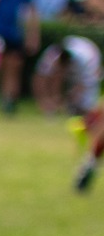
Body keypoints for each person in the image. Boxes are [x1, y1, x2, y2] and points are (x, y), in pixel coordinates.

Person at [36, 35, 102, 192]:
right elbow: (41, 78)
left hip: (89, 60)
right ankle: (90, 163)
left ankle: (89, 160)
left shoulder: (86, 58)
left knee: (91, 111)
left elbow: (83, 85)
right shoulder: (52, 56)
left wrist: (69, 101)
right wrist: (47, 102)